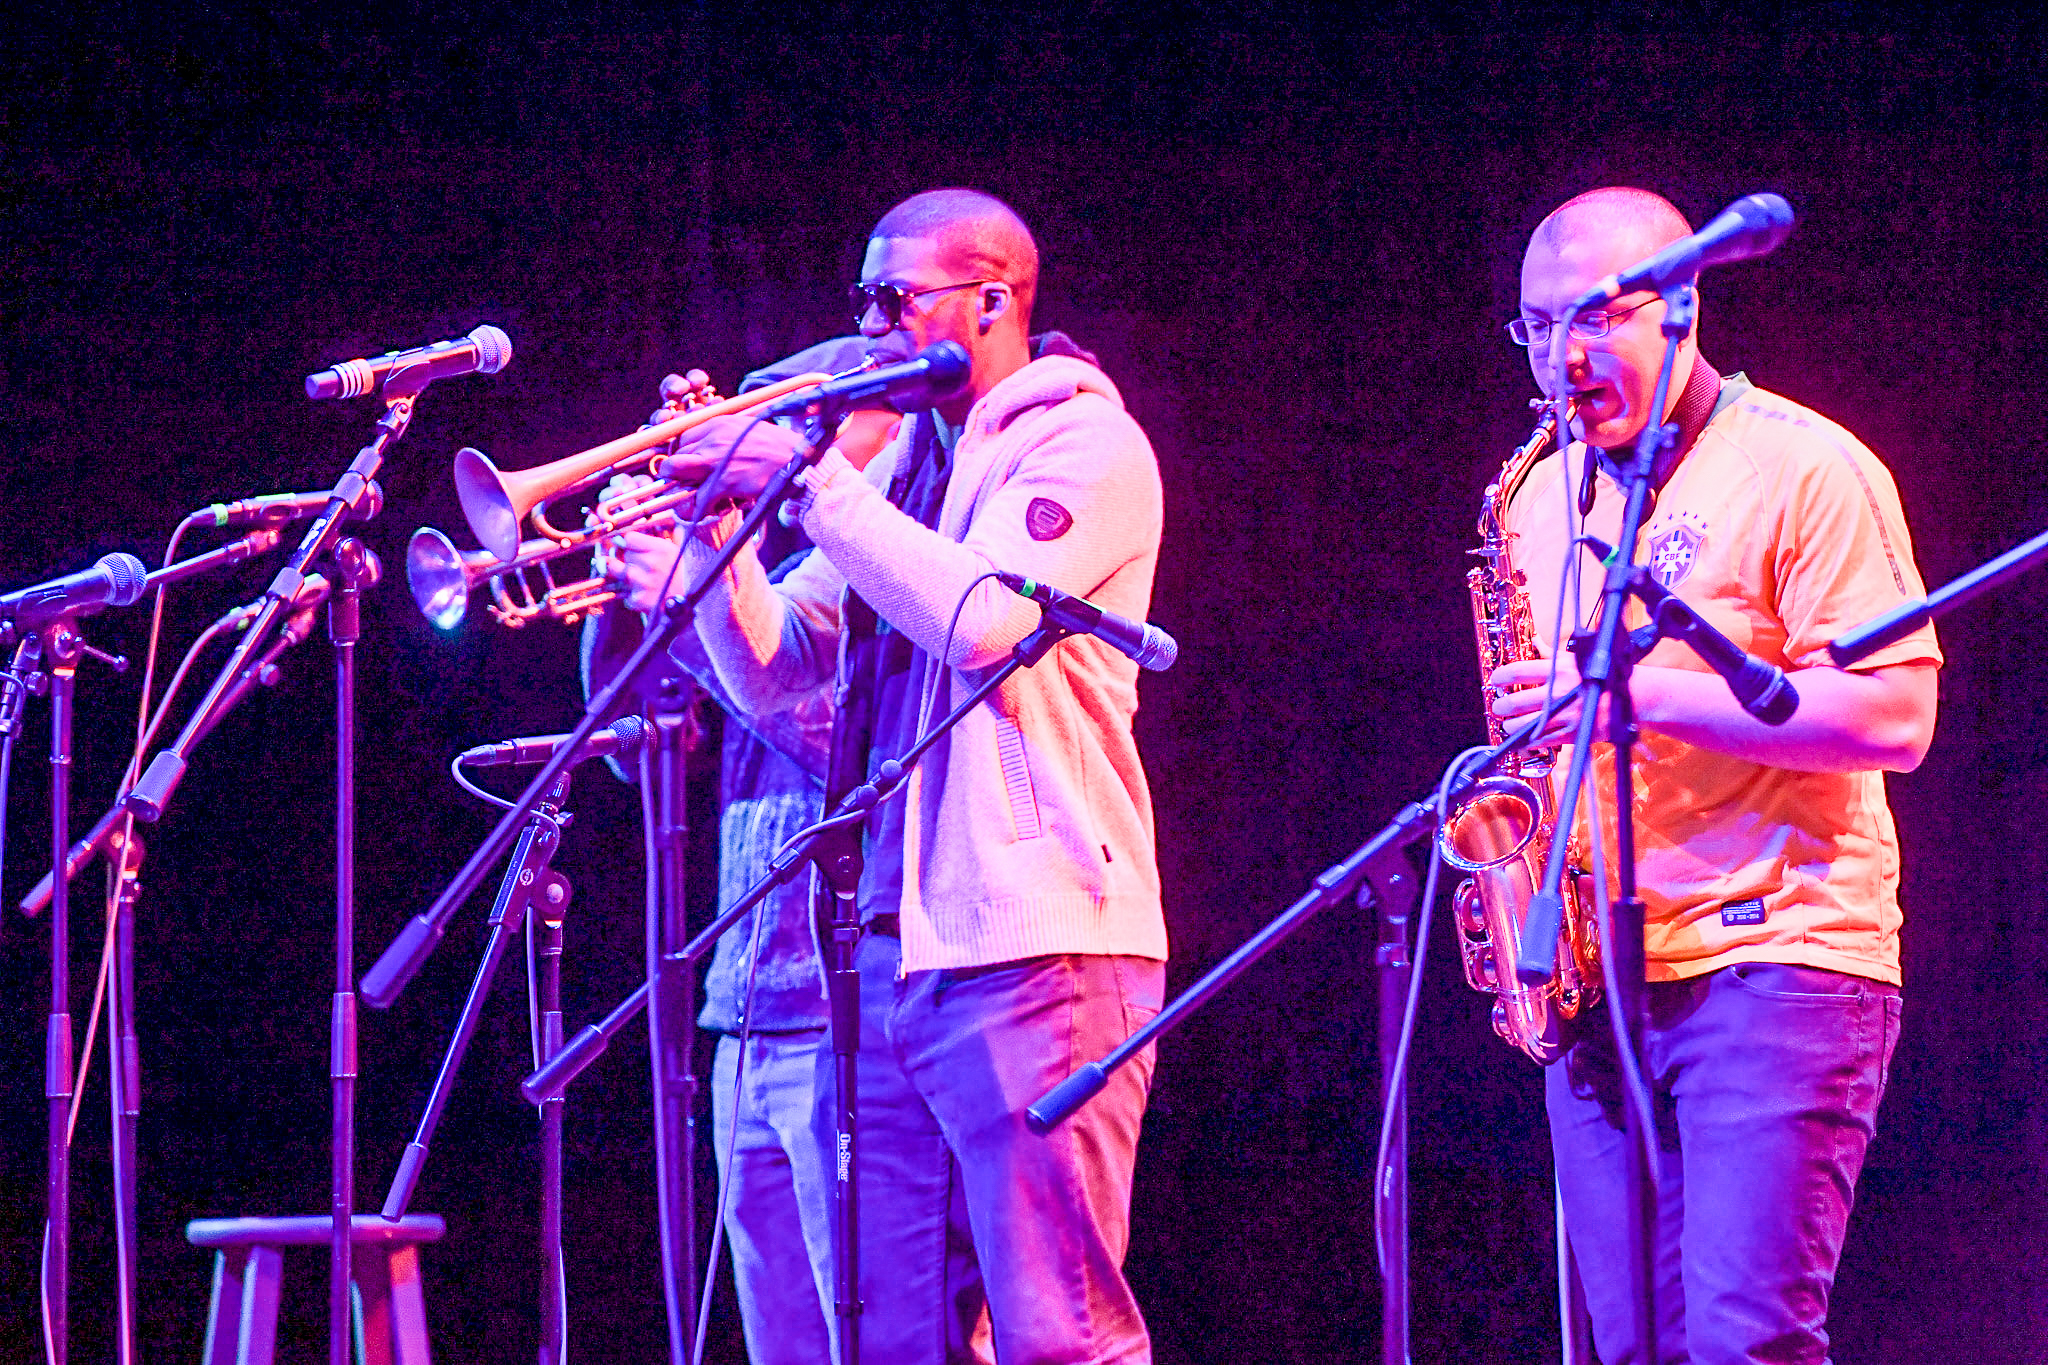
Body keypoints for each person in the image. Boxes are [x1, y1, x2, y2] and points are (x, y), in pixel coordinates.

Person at [651, 187, 1168, 1364]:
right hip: (907, 958)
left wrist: (805, 481)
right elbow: (781, 669)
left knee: (1058, 1332)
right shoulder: (906, 467)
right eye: (863, 301)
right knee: (904, 1336)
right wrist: (711, 535)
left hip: (1039, 944)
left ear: (990, 300)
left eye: (894, 301)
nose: (869, 330)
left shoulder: (1083, 444)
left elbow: (985, 622)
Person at [1492, 186, 1942, 1364]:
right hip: (1601, 983)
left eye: (1593, 318)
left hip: (1776, 960)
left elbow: (1896, 714)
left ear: (1680, 309)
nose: (1559, 356)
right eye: (1536, 327)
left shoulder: (1804, 466)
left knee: (1744, 1346)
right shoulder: (1536, 494)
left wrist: (1640, 696)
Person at [585, 336, 905, 1365]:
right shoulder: (763, 574)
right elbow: (636, 756)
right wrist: (645, 593)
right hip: (743, 1015)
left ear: (888, 432)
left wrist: (691, 612)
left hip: (849, 1016)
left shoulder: (883, 570)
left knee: (889, 1340)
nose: (775, 445)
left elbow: (844, 742)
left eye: (808, 423)